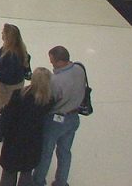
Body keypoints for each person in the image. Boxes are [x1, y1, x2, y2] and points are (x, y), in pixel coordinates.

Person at [32, 46, 86, 186]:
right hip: (73, 118)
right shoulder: (80, 69)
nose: (52, 64)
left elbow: (48, 101)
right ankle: (61, 182)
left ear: (61, 61)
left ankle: (38, 181)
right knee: (65, 152)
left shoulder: (56, 81)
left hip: (56, 121)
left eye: (53, 61)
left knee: (46, 152)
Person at [0, 67, 53, 186]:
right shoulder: (48, 101)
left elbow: (8, 116)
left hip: (14, 140)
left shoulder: (19, 95)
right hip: (33, 143)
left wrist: (1, 133)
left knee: (8, 172)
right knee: (26, 172)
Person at [0, 23, 31, 109]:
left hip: (8, 87)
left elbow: (8, 76)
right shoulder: (21, 50)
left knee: (6, 107)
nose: (1, 33)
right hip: (18, 83)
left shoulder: (10, 56)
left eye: (3, 32)